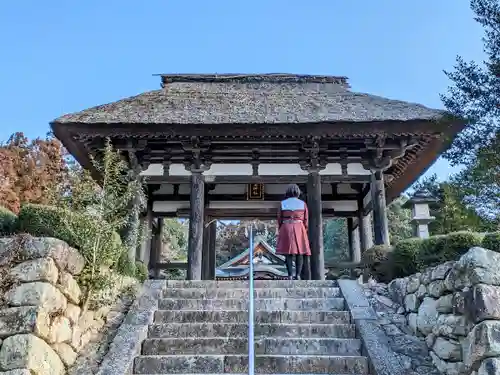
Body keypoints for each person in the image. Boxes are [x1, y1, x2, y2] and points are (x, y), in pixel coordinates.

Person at [276, 184, 311, 280]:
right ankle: (298, 275)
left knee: (288, 253)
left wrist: (281, 228)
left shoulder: (282, 203)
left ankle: (290, 275)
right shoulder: (303, 204)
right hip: (299, 227)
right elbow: (306, 219)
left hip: (286, 226)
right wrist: (304, 230)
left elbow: (279, 218)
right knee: (300, 252)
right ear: (298, 192)